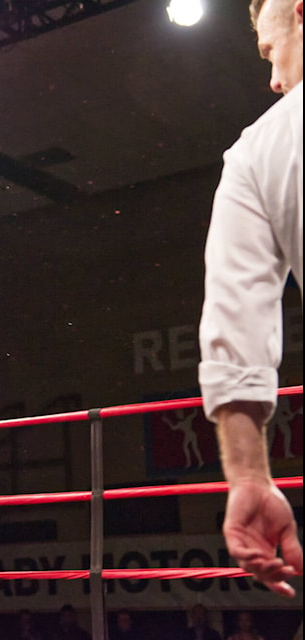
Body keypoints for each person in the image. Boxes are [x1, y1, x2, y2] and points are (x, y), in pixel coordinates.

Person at [197, 0, 304, 599]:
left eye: (272, 49)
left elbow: (235, 321)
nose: (272, 78)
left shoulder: (260, 150)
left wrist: (249, 477)